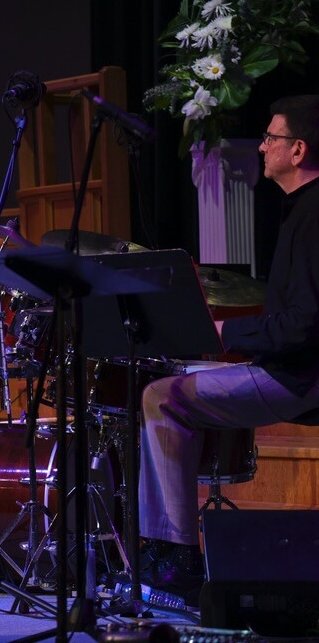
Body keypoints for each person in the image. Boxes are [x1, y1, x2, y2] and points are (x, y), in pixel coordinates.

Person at [138, 95, 319, 607]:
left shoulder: (312, 215)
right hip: (297, 369)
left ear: (298, 149)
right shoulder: (303, 210)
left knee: (161, 396)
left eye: (271, 137)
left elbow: (303, 326)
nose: (262, 146)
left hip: (298, 379)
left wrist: (226, 336)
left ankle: (175, 563)